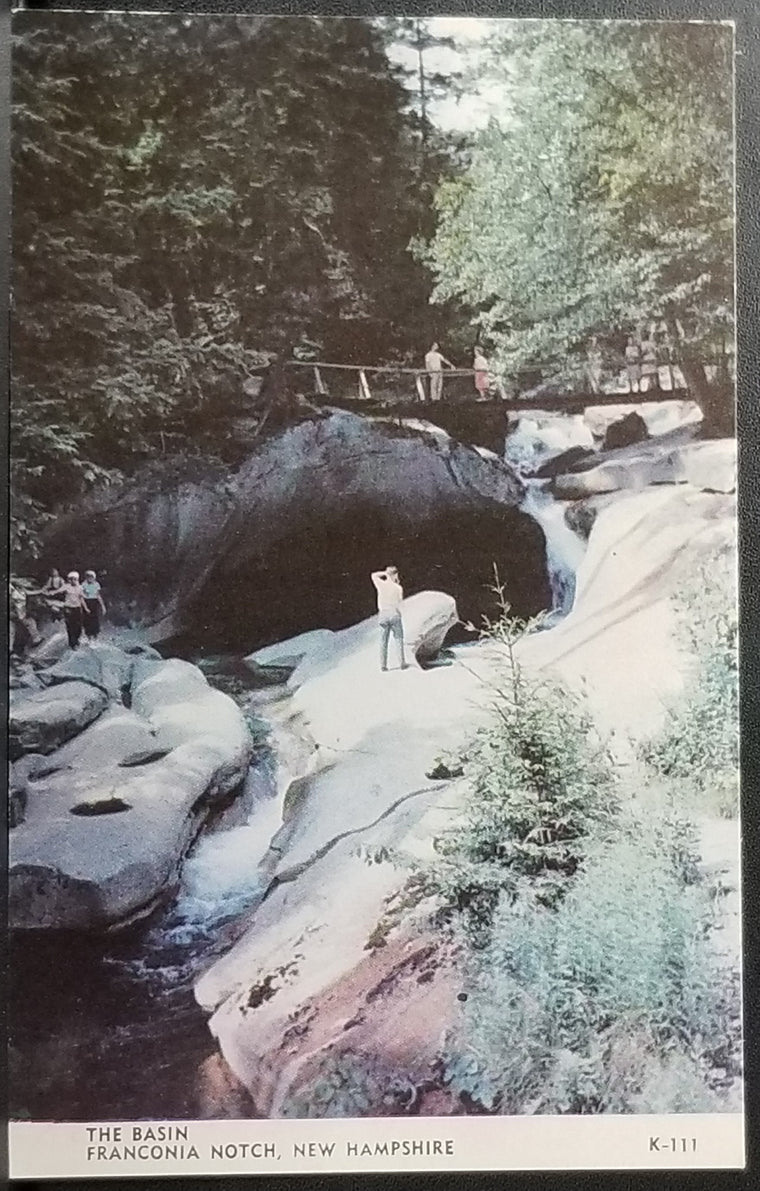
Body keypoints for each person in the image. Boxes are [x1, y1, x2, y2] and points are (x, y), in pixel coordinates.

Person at [371, 565, 407, 673]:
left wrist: (385, 573)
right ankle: (402, 663)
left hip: (383, 614)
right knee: (398, 639)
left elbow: (373, 575)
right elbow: (400, 603)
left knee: (383, 641)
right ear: (396, 574)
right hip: (394, 613)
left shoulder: (381, 584)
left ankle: (383, 665)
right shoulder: (398, 588)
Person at [62, 571, 88, 649]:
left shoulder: (80, 587)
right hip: (68, 608)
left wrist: (86, 608)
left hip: (77, 608)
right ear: (69, 580)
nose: (74, 581)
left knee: (78, 627)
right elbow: (58, 591)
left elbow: (82, 598)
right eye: (72, 579)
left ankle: (76, 640)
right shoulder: (66, 586)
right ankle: (72, 644)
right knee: (70, 626)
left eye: (75, 579)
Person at [82, 570, 107, 640]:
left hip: (94, 602)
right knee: (87, 620)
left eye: (91, 577)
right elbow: (81, 596)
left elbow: (98, 595)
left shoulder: (96, 584)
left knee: (95, 619)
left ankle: (95, 636)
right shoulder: (84, 584)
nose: (90, 578)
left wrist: (102, 606)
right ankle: (89, 637)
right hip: (87, 602)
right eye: (88, 576)